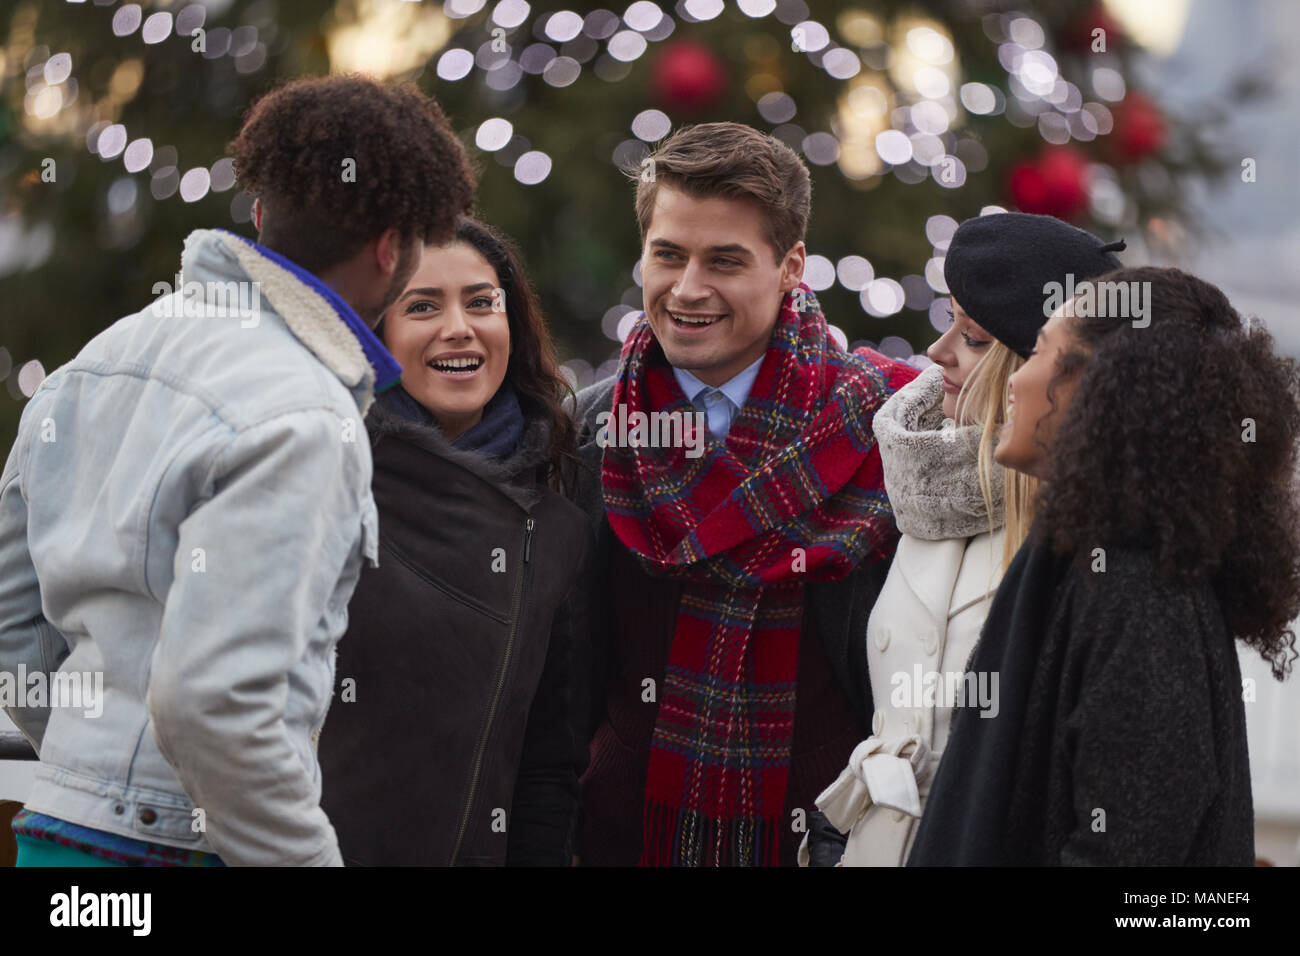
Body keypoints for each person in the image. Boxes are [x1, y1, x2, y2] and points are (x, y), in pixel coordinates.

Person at [0, 75, 475, 866]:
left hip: (56, 841)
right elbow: (216, 704)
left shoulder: (96, 362)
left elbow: (14, 624)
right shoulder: (306, 416)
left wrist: (90, 763)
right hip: (178, 849)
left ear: (260, 213)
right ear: (393, 247)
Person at [572, 121, 918, 867]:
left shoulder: (885, 429)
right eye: (668, 255)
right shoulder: (589, 430)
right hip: (616, 838)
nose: (688, 289)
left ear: (791, 265)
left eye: (724, 261)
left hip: (827, 844)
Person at [908, 265, 1300, 865]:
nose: (1017, 379)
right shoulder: (1101, 560)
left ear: (1095, 389)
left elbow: (1127, 852)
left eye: (1039, 351)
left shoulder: (1137, 589)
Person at [809, 213, 1124, 866]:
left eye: (974, 336)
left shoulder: (1096, 541)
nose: (938, 350)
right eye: (949, 320)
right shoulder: (922, 489)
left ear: (1042, 365)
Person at [318, 218, 592, 866]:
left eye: (481, 302)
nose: (459, 328)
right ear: (376, 334)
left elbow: (548, 771)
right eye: (422, 306)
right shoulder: (324, 480)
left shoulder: (558, 527)